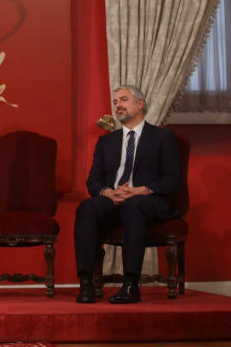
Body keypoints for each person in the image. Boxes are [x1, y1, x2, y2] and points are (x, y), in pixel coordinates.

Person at [74, 85, 181, 304]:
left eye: (123, 100)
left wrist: (142, 190)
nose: (118, 105)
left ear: (140, 104)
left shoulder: (162, 137)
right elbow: (93, 181)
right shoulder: (107, 141)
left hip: (149, 201)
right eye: (115, 102)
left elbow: (172, 179)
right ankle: (86, 284)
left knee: (135, 206)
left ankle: (130, 285)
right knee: (87, 207)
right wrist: (108, 193)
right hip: (115, 200)